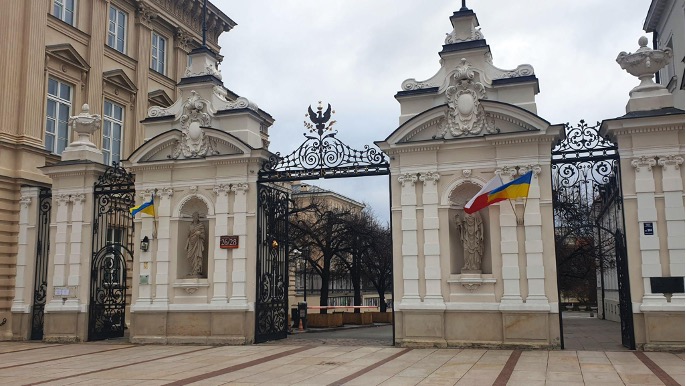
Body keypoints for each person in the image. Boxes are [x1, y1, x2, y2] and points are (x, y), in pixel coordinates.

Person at [186, 212, 205, 276]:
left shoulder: (201, 225)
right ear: (192, 217)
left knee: (197, 256)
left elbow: (203, 236)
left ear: (198, 217)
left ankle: (197, 270)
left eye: (196, 216)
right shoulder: (190, 225)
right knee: (190, 256)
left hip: (198, 243)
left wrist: (199, 234)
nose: (195, 217)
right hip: (191, 243)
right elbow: (188, 235)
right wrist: (187, 243)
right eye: (194, 216)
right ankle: (193, 270)